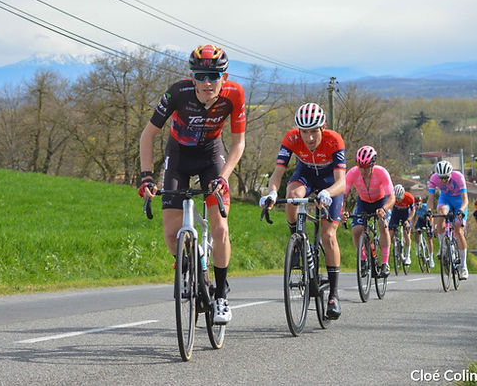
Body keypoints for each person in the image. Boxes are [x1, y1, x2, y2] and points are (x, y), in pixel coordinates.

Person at [138, 45, 245, 324]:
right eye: (200, 76)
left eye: (213, 76)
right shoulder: (178, 92)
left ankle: (221, 295)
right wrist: (146, 177)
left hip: (212, 158)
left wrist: (224, 176)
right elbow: (148, 135)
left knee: (220, 228)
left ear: (225, 75)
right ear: (191, 76)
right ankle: (188, 263)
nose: (207, 83)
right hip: (179, 156)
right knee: (171, 234)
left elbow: (238, 143)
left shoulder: (234, 94)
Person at [260, 103, 347, 319]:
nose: (308, 138)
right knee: (292, 194)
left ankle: (334, 295)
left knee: (328, 234)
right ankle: (297, 241)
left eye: (313, 132)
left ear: (322, 127)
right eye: (304, 132)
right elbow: (278, 174)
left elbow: (342, 182)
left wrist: (328, 192)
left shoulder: (334, 140)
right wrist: (271, 192)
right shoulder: (291, 139)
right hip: (306, 174)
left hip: (329, 181)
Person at [344, 146, 395, 277]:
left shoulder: (382, 172)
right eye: (360, 166)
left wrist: (384, 209)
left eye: (366, 167)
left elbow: (392, 197)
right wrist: (342, 211)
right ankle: (363, 259)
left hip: (381, 201)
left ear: (373, 165)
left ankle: (385, 263)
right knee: (356, 230)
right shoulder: (352, 173)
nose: (363, 170)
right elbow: (341, 196)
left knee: (382, 225)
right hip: (363, 202)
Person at [428, 160, 470, 279]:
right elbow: (430, 199)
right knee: (441, 213)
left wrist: (461, 211)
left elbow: (465, 199)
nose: (443, 180)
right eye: (441, 178)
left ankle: (463, 266)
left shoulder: (459, 177)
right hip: (445, 199)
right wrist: (429, 212)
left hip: (459, 202)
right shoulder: (433, 178)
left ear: (450, 174)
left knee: (458, 230)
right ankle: (443, 246)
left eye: (446, 177)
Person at [388, 184, 415, 266]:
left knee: (407, 234)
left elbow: (413, 211)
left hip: (405, 214)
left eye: (400, 198)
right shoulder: (392, 197)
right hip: (395, 213)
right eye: (396, 199)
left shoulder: (409, 197)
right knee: (390, 234)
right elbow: (389, 208)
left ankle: (407, 256)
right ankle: (395, 246)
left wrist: (408, 220)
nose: (398, 200)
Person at [412, 195, 435, 268]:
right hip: (421, 220)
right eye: (415, 204)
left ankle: (431, 258)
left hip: (428, 220)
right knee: (416, 231)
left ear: (421, 203)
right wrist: (412, 226)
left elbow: (431, 217)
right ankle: (418, 246)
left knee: (429, 238)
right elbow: (414, 218)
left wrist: (430, 227)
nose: (416, 206)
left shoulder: (425, 207)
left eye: (418, 204)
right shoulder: (415, 209)